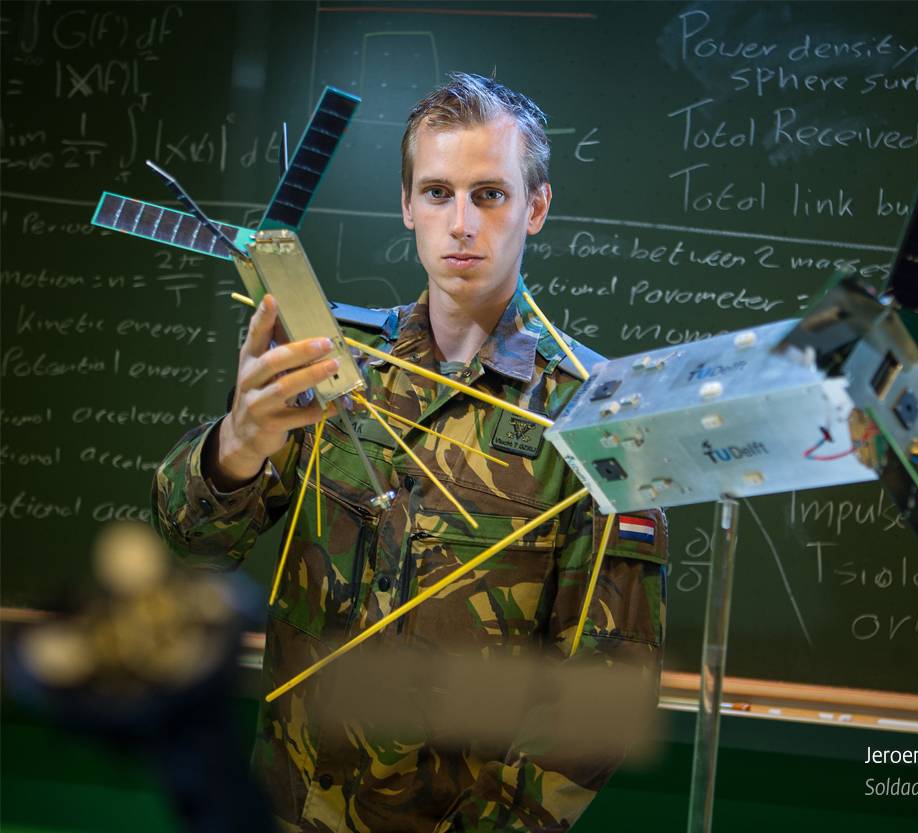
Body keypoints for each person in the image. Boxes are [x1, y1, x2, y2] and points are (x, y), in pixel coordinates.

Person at [152, 73, 668, 833]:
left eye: (489, 194)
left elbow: (603, 696)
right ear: (406, 206)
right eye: (437, 193)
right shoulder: (330, 364)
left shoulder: (597, 416)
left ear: (536, 207)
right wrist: (238, 445)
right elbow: (193, 545)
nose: (461, 224)